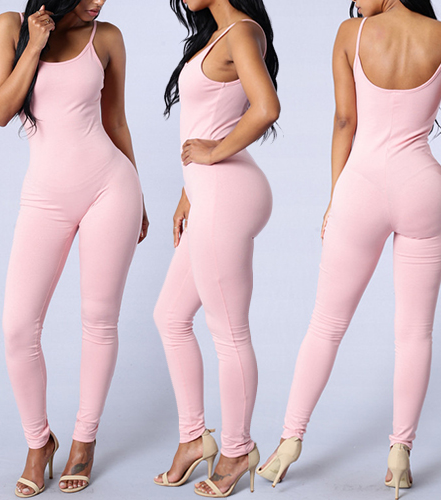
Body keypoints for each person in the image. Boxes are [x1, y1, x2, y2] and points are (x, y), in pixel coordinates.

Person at [257, 1, 441, 499]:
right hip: (425, 189)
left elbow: (344, 121)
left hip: (361, 186)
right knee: (415, 332)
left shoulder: (350, 33)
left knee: (325, 325)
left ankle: (288, 442)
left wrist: (337, 198)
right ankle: (400, 456)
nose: (354, 1)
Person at [0, 0, 149, 496]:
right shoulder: (11, 27)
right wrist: (34, 46)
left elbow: (115, 121)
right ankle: (39, 442)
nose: (98, 2)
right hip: (45, 197)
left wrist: (140, 196)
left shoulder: (108, 37)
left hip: (111, 189)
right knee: (17, 327)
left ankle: (84, 439)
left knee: (98, 319)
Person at [153, 0, 280, 497]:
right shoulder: (217, 35)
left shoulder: (242, 32)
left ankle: (237, 448)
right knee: (169, 316)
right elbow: (212, 117)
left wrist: (210, 155)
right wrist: (189, 191)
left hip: (229, 194)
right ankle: (193, 439)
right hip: (209, 194)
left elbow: (266, 108)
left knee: (227, 331)